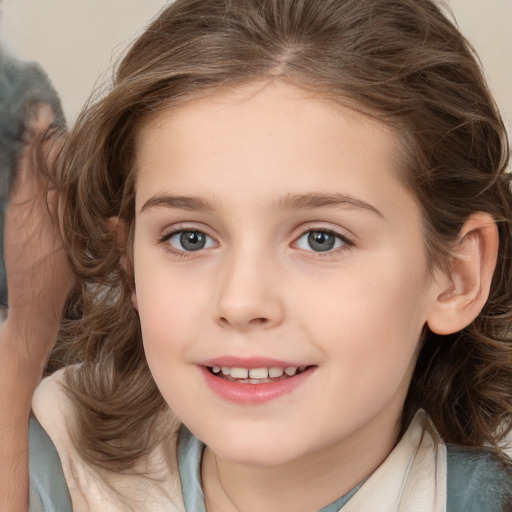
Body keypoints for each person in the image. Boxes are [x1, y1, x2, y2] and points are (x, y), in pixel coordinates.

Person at [2, 0, 512, 510]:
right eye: (190, 238)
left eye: (321, 239)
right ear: (130, 265)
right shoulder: (49, 465)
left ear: (454, 276)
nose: (242, 302)